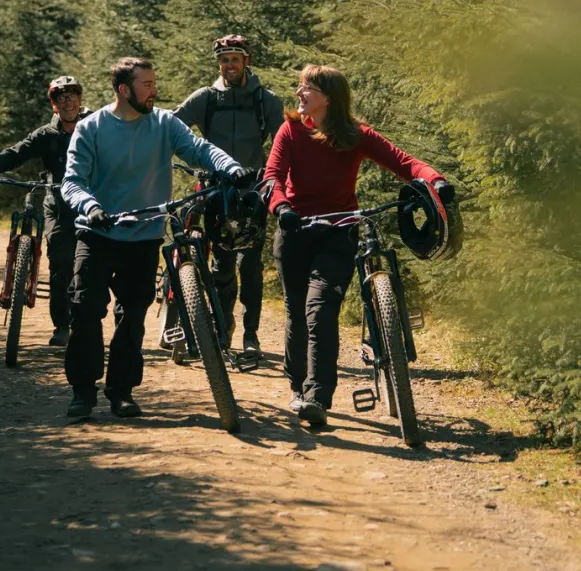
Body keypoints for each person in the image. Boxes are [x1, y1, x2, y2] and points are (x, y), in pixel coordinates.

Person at [61, 57, 253, 421]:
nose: (155, 90)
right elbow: (72, 182)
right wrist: (90, 207)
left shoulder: (164, 124)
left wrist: (231, 167)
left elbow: (200, 149)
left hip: (144, 236)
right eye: (146, 84)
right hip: (98, 234)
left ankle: (122, 392)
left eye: (154, 83)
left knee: (132, 317)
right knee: (86, 312)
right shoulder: (91, 128)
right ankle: (83, 392)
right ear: (123, 89)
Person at [263, 64, 454, 426]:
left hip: (339, 233)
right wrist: (281, 206)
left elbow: (405, 163)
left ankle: (317, 397)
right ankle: (297, 388)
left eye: (307, 88)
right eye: (300, 86)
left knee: (319, 310)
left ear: (328, 99)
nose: (299, 93)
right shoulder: (290, 131)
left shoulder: (355, 135)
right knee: (296, 313)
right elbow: (272, 176)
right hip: (295, 230)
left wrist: (436, 181)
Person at [172, 34, 283, 354]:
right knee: (221, 266)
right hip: (215, 191)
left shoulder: (266, 100)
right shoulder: (206, 97)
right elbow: (172, 128)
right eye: (224, 60)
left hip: (253, 192)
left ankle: (251, 334)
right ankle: (224, 329)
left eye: (235, 59)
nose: (228, 65)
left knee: (250, 266)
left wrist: (273, 177)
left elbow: (282, 142)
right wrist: (194, 160)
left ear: (246, 61)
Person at [0, 75, 90, 347]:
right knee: (60, 263)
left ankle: (88, 324)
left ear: (80, 100)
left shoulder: (96, 126)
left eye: (73, 95)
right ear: (54, 105)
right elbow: (16, 153)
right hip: (57, 205)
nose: (68, 101)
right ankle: (62, 326)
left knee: (91, 267)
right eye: (61, 97)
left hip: (92, 207)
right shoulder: (45, 135)